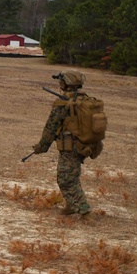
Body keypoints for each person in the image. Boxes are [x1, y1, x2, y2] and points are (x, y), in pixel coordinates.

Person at [30, 70, 101, 217]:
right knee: (72, 175)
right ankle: (70, 205)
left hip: (70, 147)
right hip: (84, 145)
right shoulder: (86, 100)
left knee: (65, 179)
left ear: (65, 84)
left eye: (61, 81)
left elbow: (51, 127)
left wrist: (41, 147)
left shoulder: (63, 103)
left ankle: (84, 211)